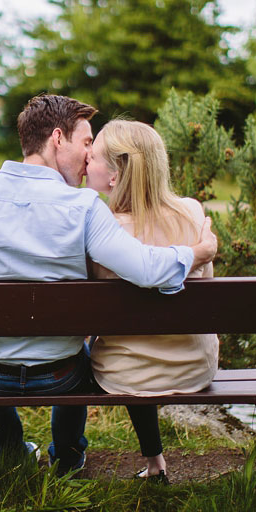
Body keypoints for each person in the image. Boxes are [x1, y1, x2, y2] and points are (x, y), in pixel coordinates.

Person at [0, 94, 217, 474]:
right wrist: (199, 251)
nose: (88, 158)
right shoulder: (83, 207)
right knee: (79, 356)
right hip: (61, 376)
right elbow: (147, 271)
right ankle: (67, 454)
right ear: (56, 139)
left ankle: (10, 452)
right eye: (86, 143)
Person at [85, 119, 219, 485]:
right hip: (194, 367)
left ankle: (68, 456)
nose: (85, 159)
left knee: (122, 349)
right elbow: (205, 282)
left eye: (93, 155)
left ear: (115, 175)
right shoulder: (192, 212)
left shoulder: (104, 232)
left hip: (123, 374)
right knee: (140, 343)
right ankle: (156, 461)